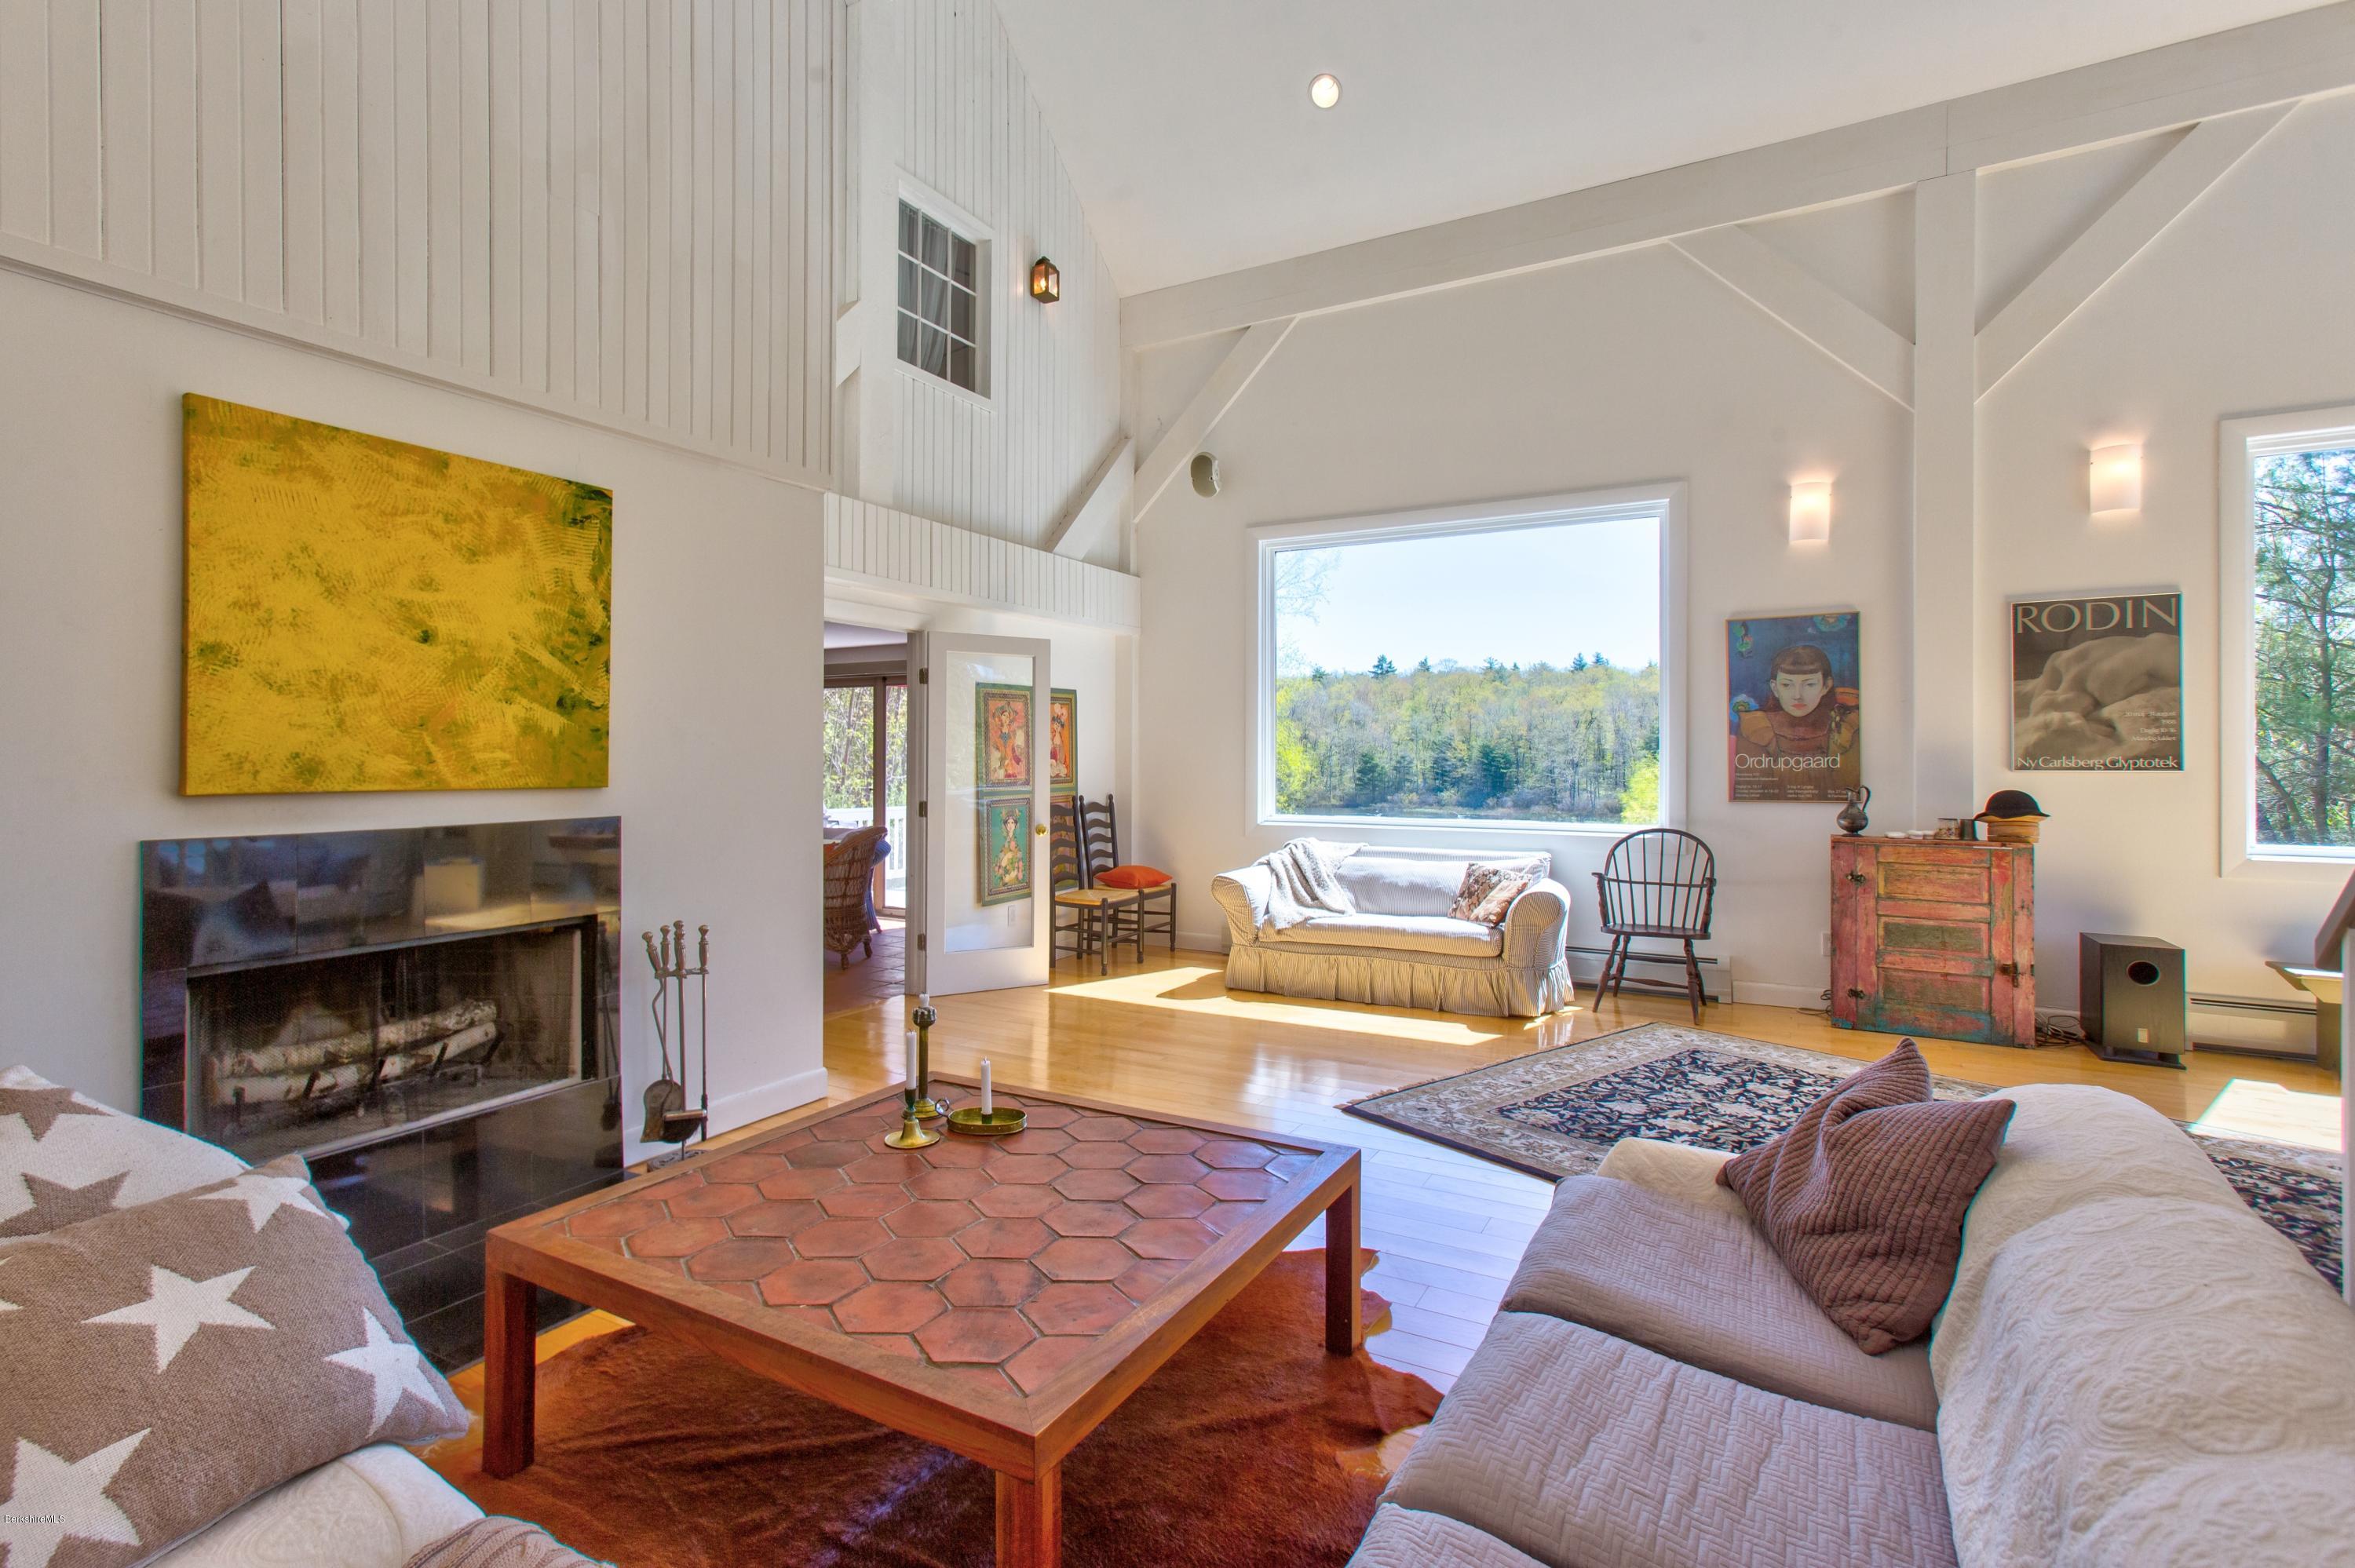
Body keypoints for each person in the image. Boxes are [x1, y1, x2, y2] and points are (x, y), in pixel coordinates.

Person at [1732, 643, 1859, 794]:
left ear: (1826, 686)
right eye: (1787, 685)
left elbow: (1849, 793)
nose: (1797, 695)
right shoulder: (1756, 728)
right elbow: (1752, 795)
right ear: (1775, 688)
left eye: (1810, 684)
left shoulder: (1845, 728)